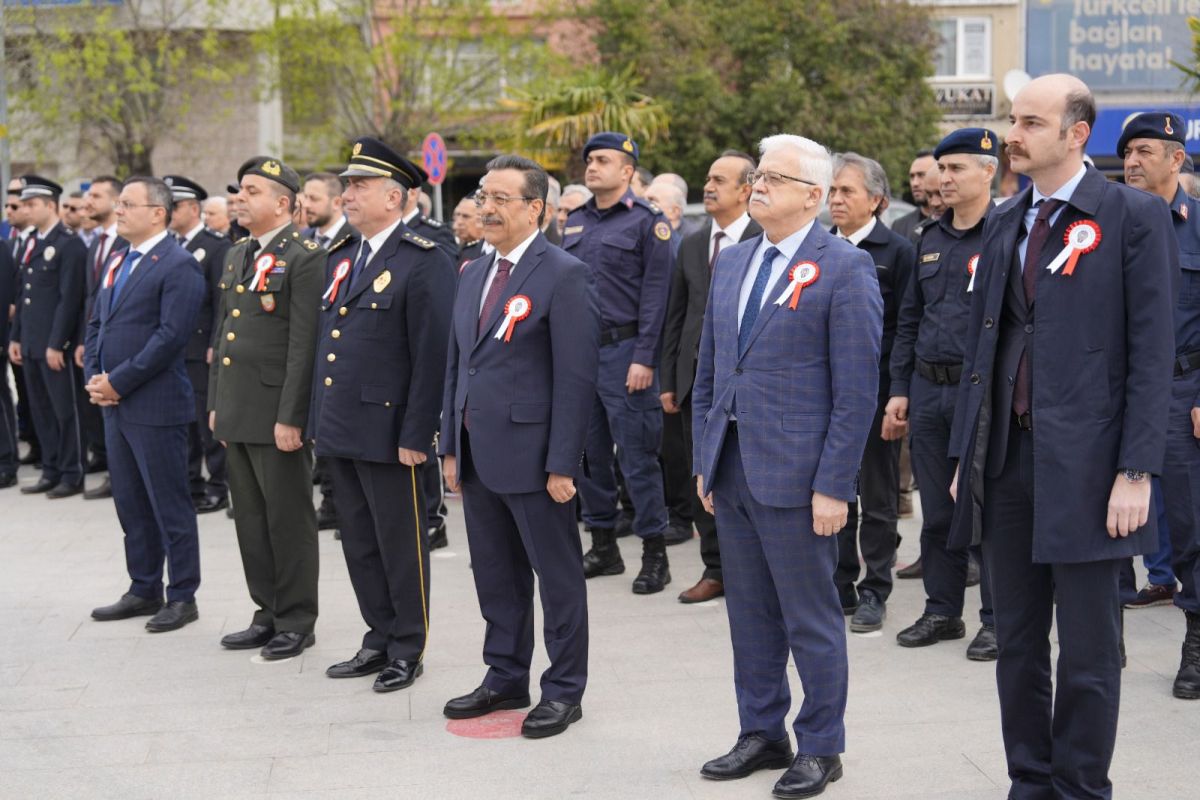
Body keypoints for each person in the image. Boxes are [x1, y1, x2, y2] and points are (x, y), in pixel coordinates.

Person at [949, 74, 1176, 798]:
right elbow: (982, 350)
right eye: (1015, 120)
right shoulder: (1007, 219)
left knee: (1088, 652)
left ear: (1077, 133)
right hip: (1008, 464)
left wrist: (1136, 469)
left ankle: (1080, 786)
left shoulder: (1131, 216)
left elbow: (1152, 351)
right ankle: (1030, 779)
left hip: (1092, 470)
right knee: (1016, 643)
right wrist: (967, 457)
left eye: (1030, 122)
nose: (1013, 134)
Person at [693, 134, 882, 798]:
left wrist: (835, 484)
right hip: (735, 469)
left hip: (802, 480)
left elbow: (857, 389)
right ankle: (762, 731)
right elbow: (714, 369)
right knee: (750, 613)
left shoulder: (844, 266)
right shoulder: (734, 262)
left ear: (812, 195)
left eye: (774, 176)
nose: (758, 184)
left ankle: (821, 745)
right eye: (757, 174)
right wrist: (704, 461)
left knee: (810, 616)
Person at [440, 154, 597, 737]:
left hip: (536, 460)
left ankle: (563, 690)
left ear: (536, 208)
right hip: (479, 455)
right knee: (496, 577)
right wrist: (451, 446)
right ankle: (504, 675)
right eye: (484, 197)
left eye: (502, 198)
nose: (487, 208)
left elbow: (576, 377)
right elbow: (458, 364)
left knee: (556, 579)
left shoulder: (563, 273)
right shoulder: (472, 272)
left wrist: (563, 461)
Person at [310, 137, 454, 692]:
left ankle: (407, 646)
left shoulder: (424, 259)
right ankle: (377, 636)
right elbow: (330, 344)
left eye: (359, 186)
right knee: (358, 540)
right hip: (343, 425)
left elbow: (432, 355)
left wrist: (419, 432)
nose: (347, 194)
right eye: (347, 185)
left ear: (395, 197)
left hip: (392, 430)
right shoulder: (343, 256)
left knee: (400, 541)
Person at [886, 129, 999, 660]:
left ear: (988, 171)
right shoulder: (928, 239)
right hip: (929, 391)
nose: (943, 179)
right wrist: (899, 390)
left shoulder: (1006, 234)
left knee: (988, 512)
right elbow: (910, 319)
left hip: (983, 396)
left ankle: (998, 618)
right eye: (941, 169)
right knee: (936, 512)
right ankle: (941, 610)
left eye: (956, 168)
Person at [208, 156, 324, 661]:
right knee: (250, 519)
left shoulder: (304, 255)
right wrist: (218, 404)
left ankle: (297, 618)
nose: (240, 198)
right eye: (240, 190)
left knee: (287, 519)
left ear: (282, 203)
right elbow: (224, 336)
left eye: (252, 191)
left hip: (278, 412)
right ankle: (267, 611)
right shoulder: (237, 254)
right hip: (239, 408)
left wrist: (291, 415)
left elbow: (304, 344)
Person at [85, 176, 206, 632]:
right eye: (117, 203)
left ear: (158, 212)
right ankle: (143, 587)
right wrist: (95, 380)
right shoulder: (119, 260)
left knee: (168, 503)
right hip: (115, 404)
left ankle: (182, 595)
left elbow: (170, 338)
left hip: (155, 405)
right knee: (131, 503)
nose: (118, 210)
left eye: (127, 203)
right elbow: (97, 322)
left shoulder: (178, 265)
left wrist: (119, 381)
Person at [562, 132, 675, 594]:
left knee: (637, 458)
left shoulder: (648, 223)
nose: (592, 166)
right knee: (588, 457)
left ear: (627, 171)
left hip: (627, 353)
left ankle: (654, 554)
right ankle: (604, 546)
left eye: (603, 160)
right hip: (580, 356)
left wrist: (644, 357)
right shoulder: (573, 221)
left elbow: (657, 297)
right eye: (589, 159)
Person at [1119, 111, 1200, 698]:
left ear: (1177, 159)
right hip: (1111, 393)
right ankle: (1102, 638)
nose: (1132, 161)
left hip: (1180, 391)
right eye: (1127, 152)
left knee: (1190, 523)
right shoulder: (1105, 224)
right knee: (1108, 517)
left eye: (1145, 150)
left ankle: (1195, 640)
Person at [661, 150, 761, 603]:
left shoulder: (764, 239)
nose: (709, 185)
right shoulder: (694, 242)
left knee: (745, 477)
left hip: (744, 382)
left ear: (746, 189)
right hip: (695, 381)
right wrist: (670, 378)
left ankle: (754, 569)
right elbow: (676, 314)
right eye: (707, 177)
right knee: (701, 475)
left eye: (720, 179)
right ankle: (716, 568)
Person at [827, 152, 912, 633]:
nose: (836, 200)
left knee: (878, 498)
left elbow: (904, 328)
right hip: (828, 395)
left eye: (847, 192)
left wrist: (899, 392)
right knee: (836, 490)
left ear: (876, 201)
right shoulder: (818, 248)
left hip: (877, 393)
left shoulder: (895, 252)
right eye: (833, 191)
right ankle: (839, 583)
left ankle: (875, 589)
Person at [8, 175, 88, 499]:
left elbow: (70, 300)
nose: (26, 209)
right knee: (41, 409)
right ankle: (51, 468)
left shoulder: (69, 244)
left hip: (54, 345)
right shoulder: (34, 242)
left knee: (64, 411)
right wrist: (16, 337)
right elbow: (24, 294)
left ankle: (72, 472)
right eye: (23, 203)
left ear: (50, 205)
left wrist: (58, 343)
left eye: (32, 204)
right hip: (31, 342)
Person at [164, 175, 232, 514]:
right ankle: (191, 482)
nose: (169, 211)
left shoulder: (215, 245)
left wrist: (217, 344)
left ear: (193, 208)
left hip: (202, 346)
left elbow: (223, 300)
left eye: (174, 206)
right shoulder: (171, 244)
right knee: (184, 422)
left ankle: (218, 484)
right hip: (176, 349)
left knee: (208, 423)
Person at [301, 171, 354, 533]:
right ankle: (330, 501)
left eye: (314, 199)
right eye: (304, 197)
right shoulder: (306, 242)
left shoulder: (351, 241)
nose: (305, 205)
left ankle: (337, 505)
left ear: (337, 203)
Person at [76, 176, 125, 500]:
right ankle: (112, 470)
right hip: (96, 337)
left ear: (115, 201)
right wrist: (84, 340)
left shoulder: (126, 242)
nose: (87, 202)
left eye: (95, 196)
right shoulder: (96, 242)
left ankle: (118, 475)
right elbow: (89, 297)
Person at [890, 151, 936, 243]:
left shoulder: (955, 221)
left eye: (921, 175)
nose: (915, 183)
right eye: (912, 176)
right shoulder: (900, 226)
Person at [452, 196, 488, 271]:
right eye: (457, 215)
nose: (459, 222)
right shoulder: (456, 248)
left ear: (482, 219)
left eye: (465, 216)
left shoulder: (492, 250)